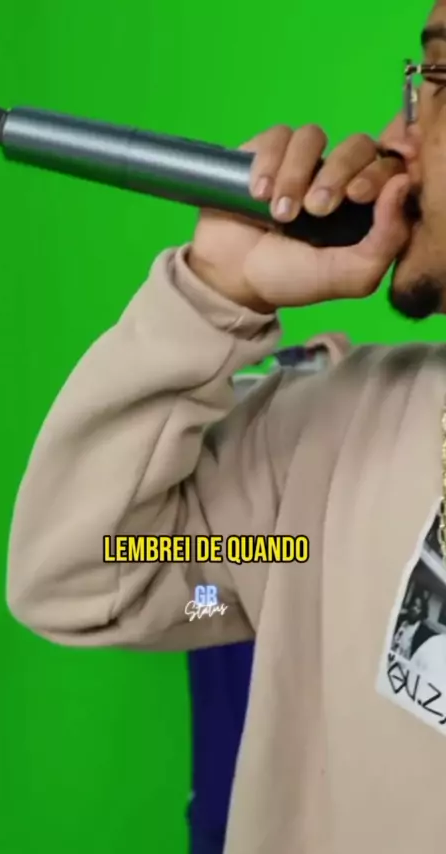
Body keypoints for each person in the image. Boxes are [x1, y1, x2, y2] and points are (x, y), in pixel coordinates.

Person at [6, 2, 446, 852]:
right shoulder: (316, 477)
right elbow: (100, 576)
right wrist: (215, 294)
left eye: (438, 81)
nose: (395, 136)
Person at [188, 337, 349, 854]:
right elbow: (194, 600)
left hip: (321, 816)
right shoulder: (206, 569)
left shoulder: (341, 546)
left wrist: (352, 395)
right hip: (227, 806)